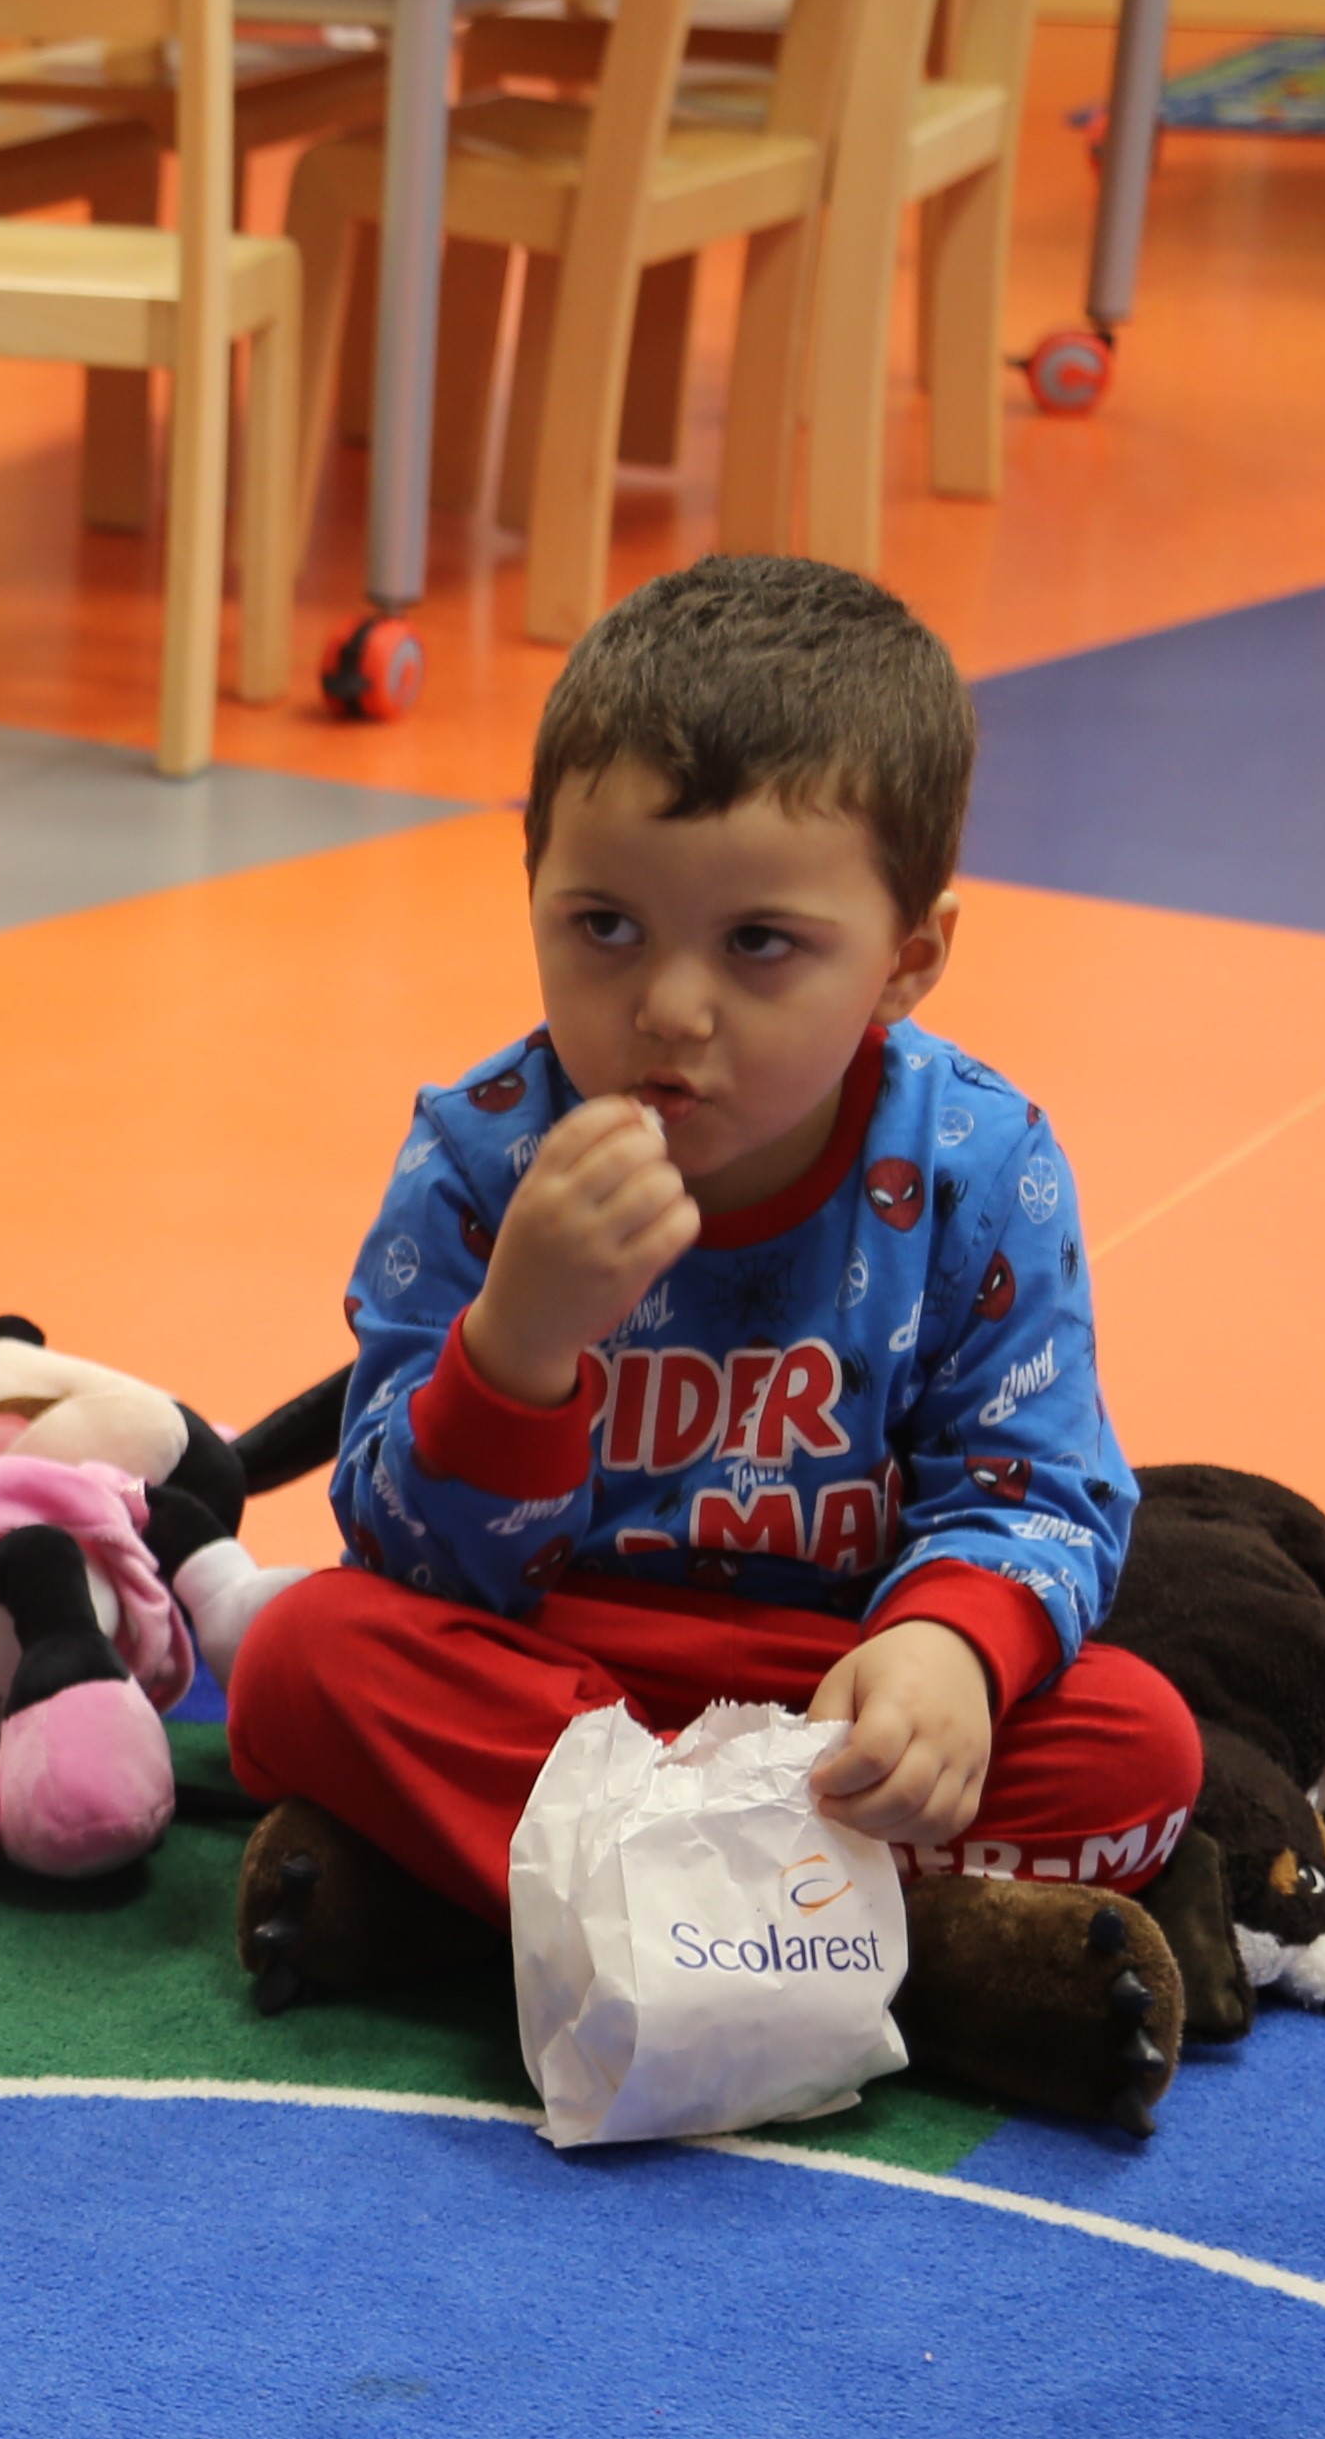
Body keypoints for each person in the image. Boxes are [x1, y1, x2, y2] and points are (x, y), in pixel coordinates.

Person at [225, 557, 1207, 2131]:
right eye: (604, 925)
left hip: (833, 1701)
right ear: (531, 887)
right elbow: (402, 1555)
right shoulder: (484, 1158)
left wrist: (952, 1648)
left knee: (1142, 1748)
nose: (670, 1005)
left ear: (909, 957)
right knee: (297, 1665)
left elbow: (1040, 1490)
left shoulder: (980, 1163)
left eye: (759, 944)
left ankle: (526, 1908)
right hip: (554, 1684)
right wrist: (514, 1348)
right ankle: (882, 1953)